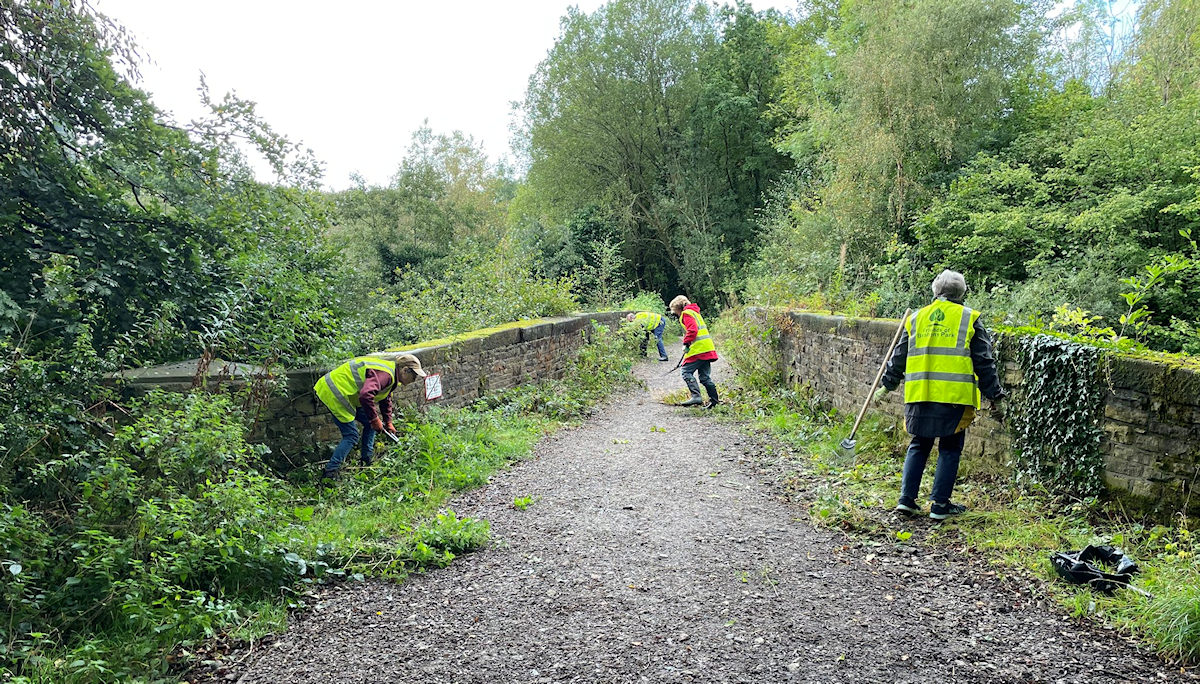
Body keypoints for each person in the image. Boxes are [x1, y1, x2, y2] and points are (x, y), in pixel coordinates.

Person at [875, 270, 1005, 519]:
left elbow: (899, 357)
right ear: (962, 293)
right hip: (953, 396)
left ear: (935, 291)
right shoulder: (969, 318)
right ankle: (940, 506)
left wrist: (887, 385)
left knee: (919, 444)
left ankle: (906, 500)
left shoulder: (917, 318)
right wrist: (995, 396)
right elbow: (984, 362)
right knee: (950, 448)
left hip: (920, 392)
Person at [313, 353, 426, 483]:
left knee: (370, 425)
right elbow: (366, 395)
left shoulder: (391, 375)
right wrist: (374, 419)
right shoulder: (386, 374)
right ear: (405, 370)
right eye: (414, 375)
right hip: (335, 391)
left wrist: (388, 422)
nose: (414, 379)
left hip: (345, 393)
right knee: (351, 435)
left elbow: (385, 398)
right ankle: (330, 473)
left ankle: (366, 462)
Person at [669, 295, 719, 409]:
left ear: (679, 308)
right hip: (707, 348)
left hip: (699, 349)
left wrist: (686, 343)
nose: (676, 314)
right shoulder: (695, 312)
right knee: (705, 377)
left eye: (675, 311)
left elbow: (692, 330)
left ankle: (696, 396)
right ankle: (714, 402)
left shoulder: (686, 314)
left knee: (686, 371)